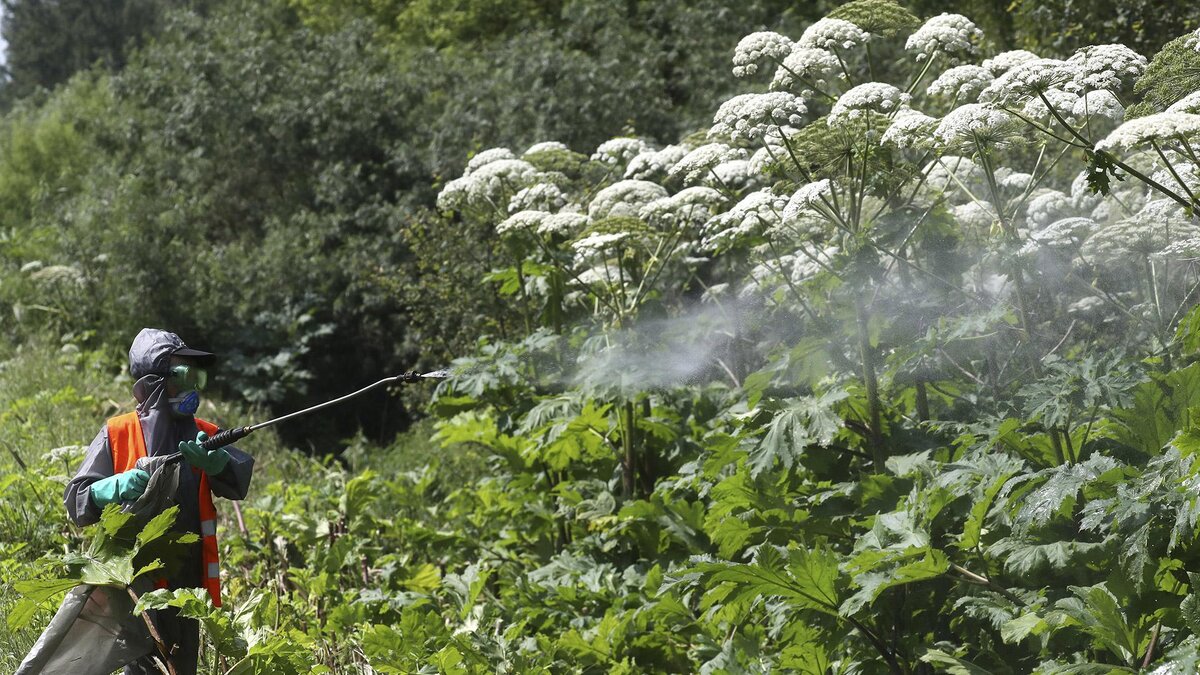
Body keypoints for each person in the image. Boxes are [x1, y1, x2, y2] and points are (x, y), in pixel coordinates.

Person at [65, 328, 254, 675]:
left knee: (181, 666)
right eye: (183, 376)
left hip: (187, 589)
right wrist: (113, 487)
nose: (193, 386)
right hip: (135, 586)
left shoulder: (205, 433)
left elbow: (239, 477)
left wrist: (219, 463)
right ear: (154, 382)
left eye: (197, 376)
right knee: (141, 667)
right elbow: (76, 500)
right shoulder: (118, 432)